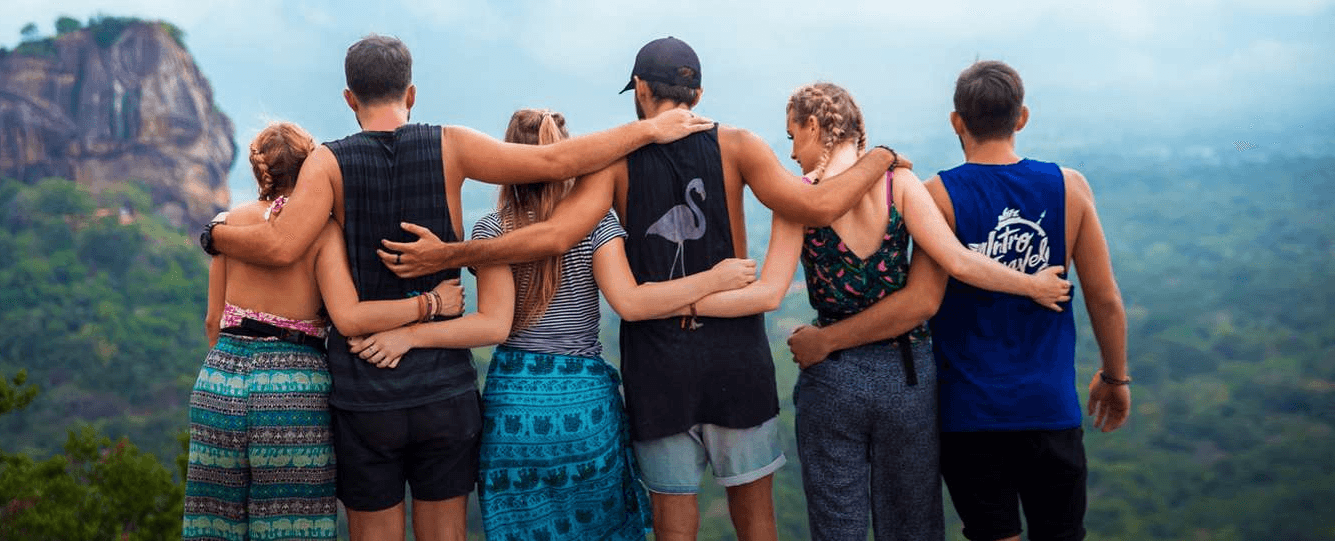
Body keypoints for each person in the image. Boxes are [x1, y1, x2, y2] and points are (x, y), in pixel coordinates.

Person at [378, 37, 903, 541]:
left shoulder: (616, 161)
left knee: (674, 527)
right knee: (756, 519)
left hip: (656, 362)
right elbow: (813, 206)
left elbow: (556, 235)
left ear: (642, 91)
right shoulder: (741, 145)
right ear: (697, 94)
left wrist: (456, 254)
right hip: (735, 355)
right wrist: (878, 157)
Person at [197, 35, 711, 541]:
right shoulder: (453, 145)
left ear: (349, 99)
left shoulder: (327, 163)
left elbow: (283, 245)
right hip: (444, 393)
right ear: (412, 93)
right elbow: (558, 162)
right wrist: (648, 131)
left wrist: (215, 234)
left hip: (365, 392)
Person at [395, 109, 757, 540]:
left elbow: (493, 327)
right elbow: (633, 303)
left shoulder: (492, 229)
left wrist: (411, 334)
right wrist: (714, 279)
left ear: (510, 160)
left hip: (515, 416)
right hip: (585, 409)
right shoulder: (597, 225)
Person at [774, 83, 1070, 541]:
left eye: (792, 135)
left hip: (830, 376)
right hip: (906, 376)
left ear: (814, 126)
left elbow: (771, 290)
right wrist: (1031, 285)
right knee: (912, 525)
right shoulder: (901, 184)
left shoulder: (798, 199)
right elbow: (957, 261)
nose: (792, 152)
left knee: (836, 527)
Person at [187, 121, 462, 541]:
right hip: (291, 387)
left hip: (220, 379)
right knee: (290, 523)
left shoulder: (228, 226)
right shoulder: (322, 232)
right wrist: (431, 303)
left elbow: (212, 321)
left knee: (215, 521)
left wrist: (232, 371)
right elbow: (349, 317)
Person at [924, 60, 1131, 541]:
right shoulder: (1069, 187)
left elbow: (923, 302)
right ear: (1022, 118)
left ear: (957, 120)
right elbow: (1104, 298)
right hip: (1049, 406)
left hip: (968, 412)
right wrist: (1116, 376)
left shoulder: (937, 195)